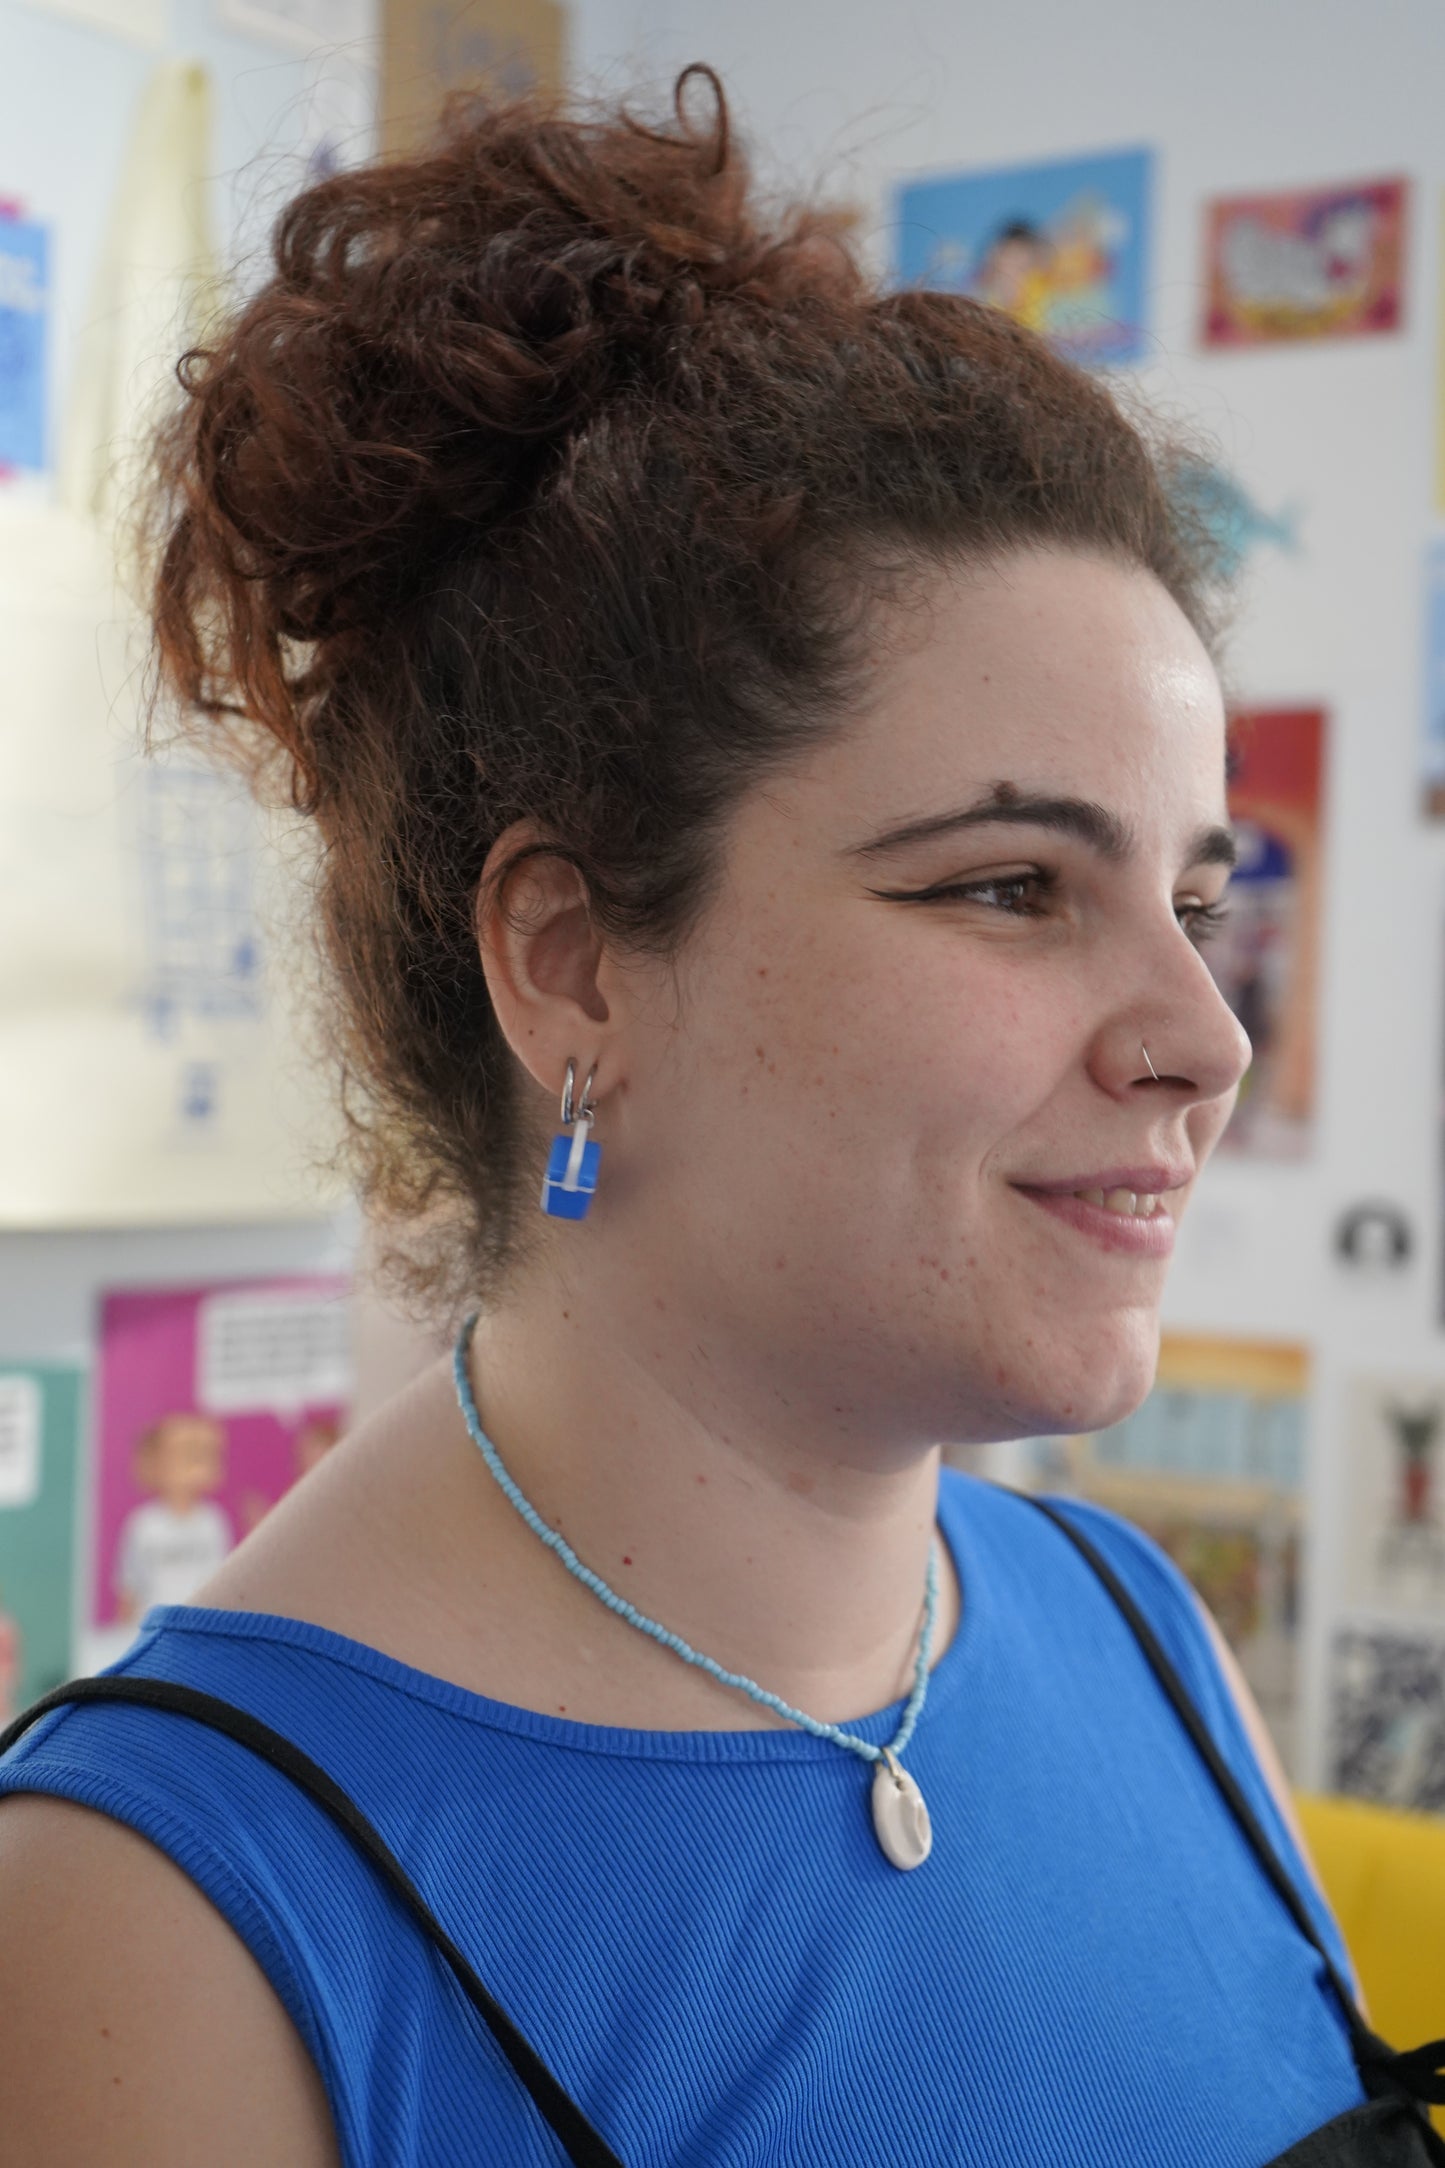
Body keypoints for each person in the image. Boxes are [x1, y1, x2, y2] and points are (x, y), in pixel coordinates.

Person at [0, 68, 1431, 2168]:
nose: (1200, 1036)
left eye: (1191, 898)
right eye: (1008, 886)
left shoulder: (1139, 1637)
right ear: (573, 966)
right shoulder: (161, 1923)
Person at [112, 1410, 233, 1623]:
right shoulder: (143, 1524)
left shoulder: (212, 1521)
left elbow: (222, 1584)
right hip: (153, 1629)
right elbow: (130, 1589)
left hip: (198, 1628)